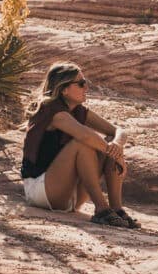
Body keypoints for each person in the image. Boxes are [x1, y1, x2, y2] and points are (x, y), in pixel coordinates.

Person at [20, 62, 140, 228]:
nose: (86, 88)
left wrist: (116, 147)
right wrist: (114, 153)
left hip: (68, 193)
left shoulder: (78, 110)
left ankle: (117, 209)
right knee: (82, 144)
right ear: (64, 89)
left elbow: (119, 131)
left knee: (109, 142)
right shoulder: (52, 111)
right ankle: (101, 210)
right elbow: (84, 135)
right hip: (41, 191)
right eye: (81, 84)